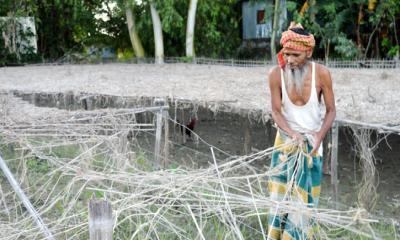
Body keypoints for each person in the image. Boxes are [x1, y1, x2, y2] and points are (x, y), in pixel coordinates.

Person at [267, 22, 336, 240]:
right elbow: (276, 113)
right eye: (286, 54)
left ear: (308, 51)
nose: (289, 60)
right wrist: (292, 134)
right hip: (285, 147)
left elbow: (332, 111)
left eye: (295, 55)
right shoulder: (276, 74)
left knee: (305, 205)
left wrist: (318, 137)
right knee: (280, 201)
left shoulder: (322, 74)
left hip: (311, 148)